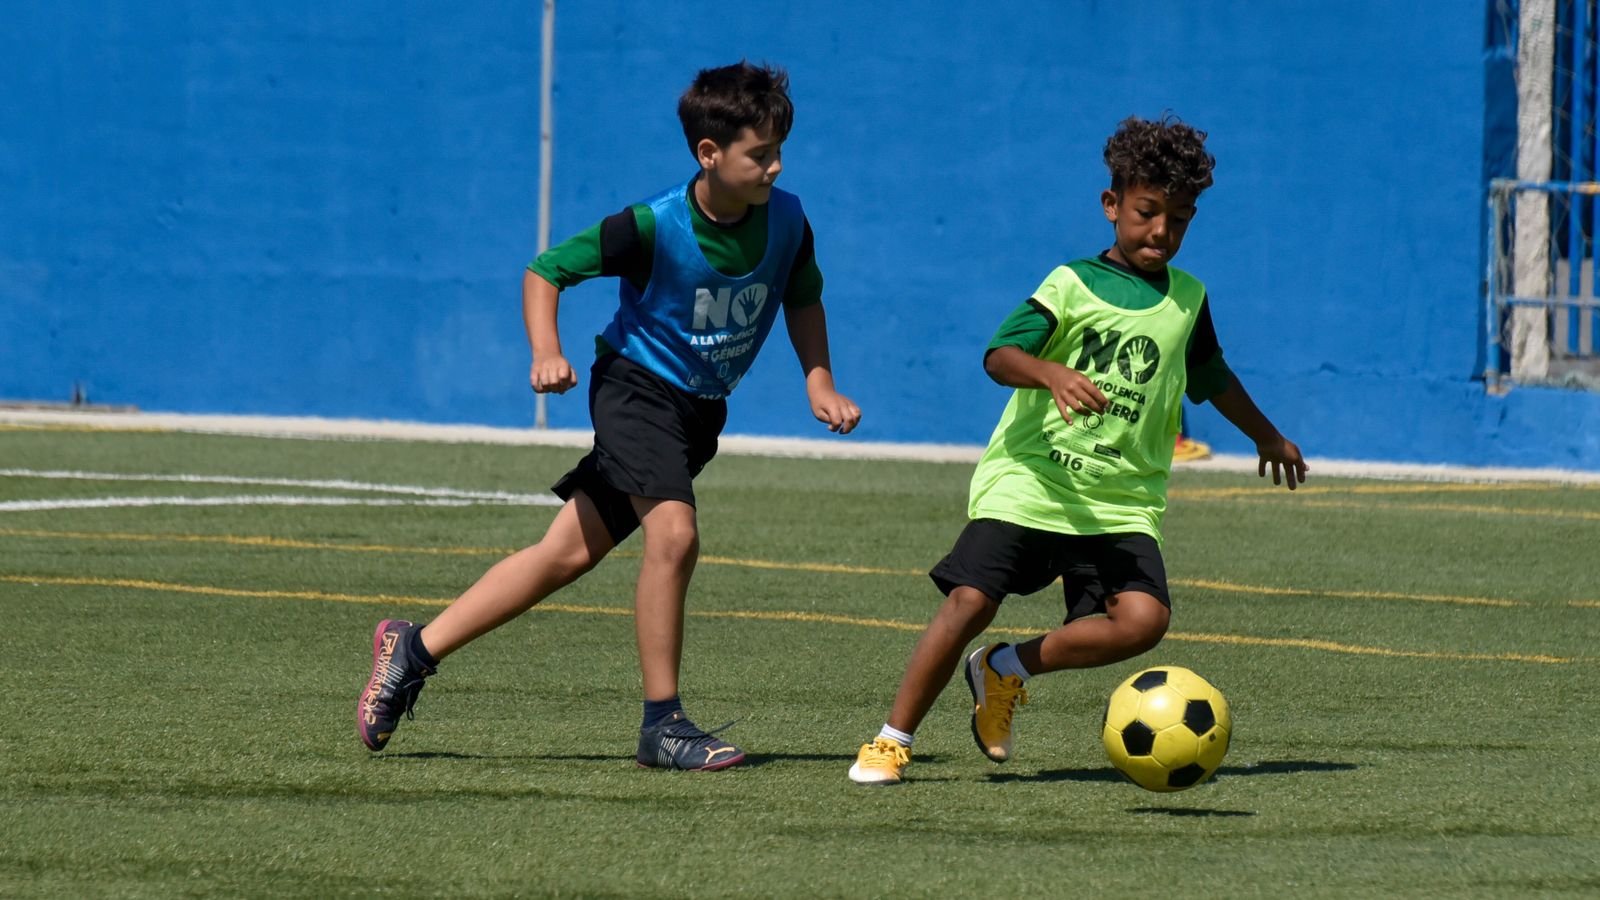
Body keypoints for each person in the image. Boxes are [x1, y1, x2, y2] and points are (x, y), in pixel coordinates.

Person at [358, 61, 860, 771]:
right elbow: (546, 270)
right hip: (635, 389)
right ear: (708, 155)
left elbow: (802, 296)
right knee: (675, 534)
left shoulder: (788, 219)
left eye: (780, 150)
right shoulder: (652, 225)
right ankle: (664, 724)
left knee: (564, 554)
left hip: (696, 412)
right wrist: (545, 352)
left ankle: (415, 648)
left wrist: (820, 380)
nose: (776, 167)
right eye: (760, 154)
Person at [847, 115, 1306, 785]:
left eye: (1179, 220)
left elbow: (1212, 377)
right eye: (1148, 212)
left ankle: (1006, 668)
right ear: (1112, 205)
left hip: (1118, 498)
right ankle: (891, 740)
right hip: (1032, 479)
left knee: (1143, 621)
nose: (1161, 232)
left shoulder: (1188, 300)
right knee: (971, 601)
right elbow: (1000, 356)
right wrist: (1053, 373)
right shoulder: (1071, 283)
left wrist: (1266, 435)